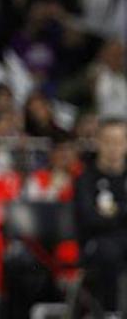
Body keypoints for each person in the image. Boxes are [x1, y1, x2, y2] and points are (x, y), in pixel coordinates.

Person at [74, 117, 127, 313]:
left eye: (119, 141)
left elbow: (104, 216)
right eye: (108, 141)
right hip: (96, 243)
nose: (113, 147)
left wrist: (114, 212)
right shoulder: (86, 179)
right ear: (97, 142)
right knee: (109, 252)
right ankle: (110, 313)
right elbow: (90, 219)